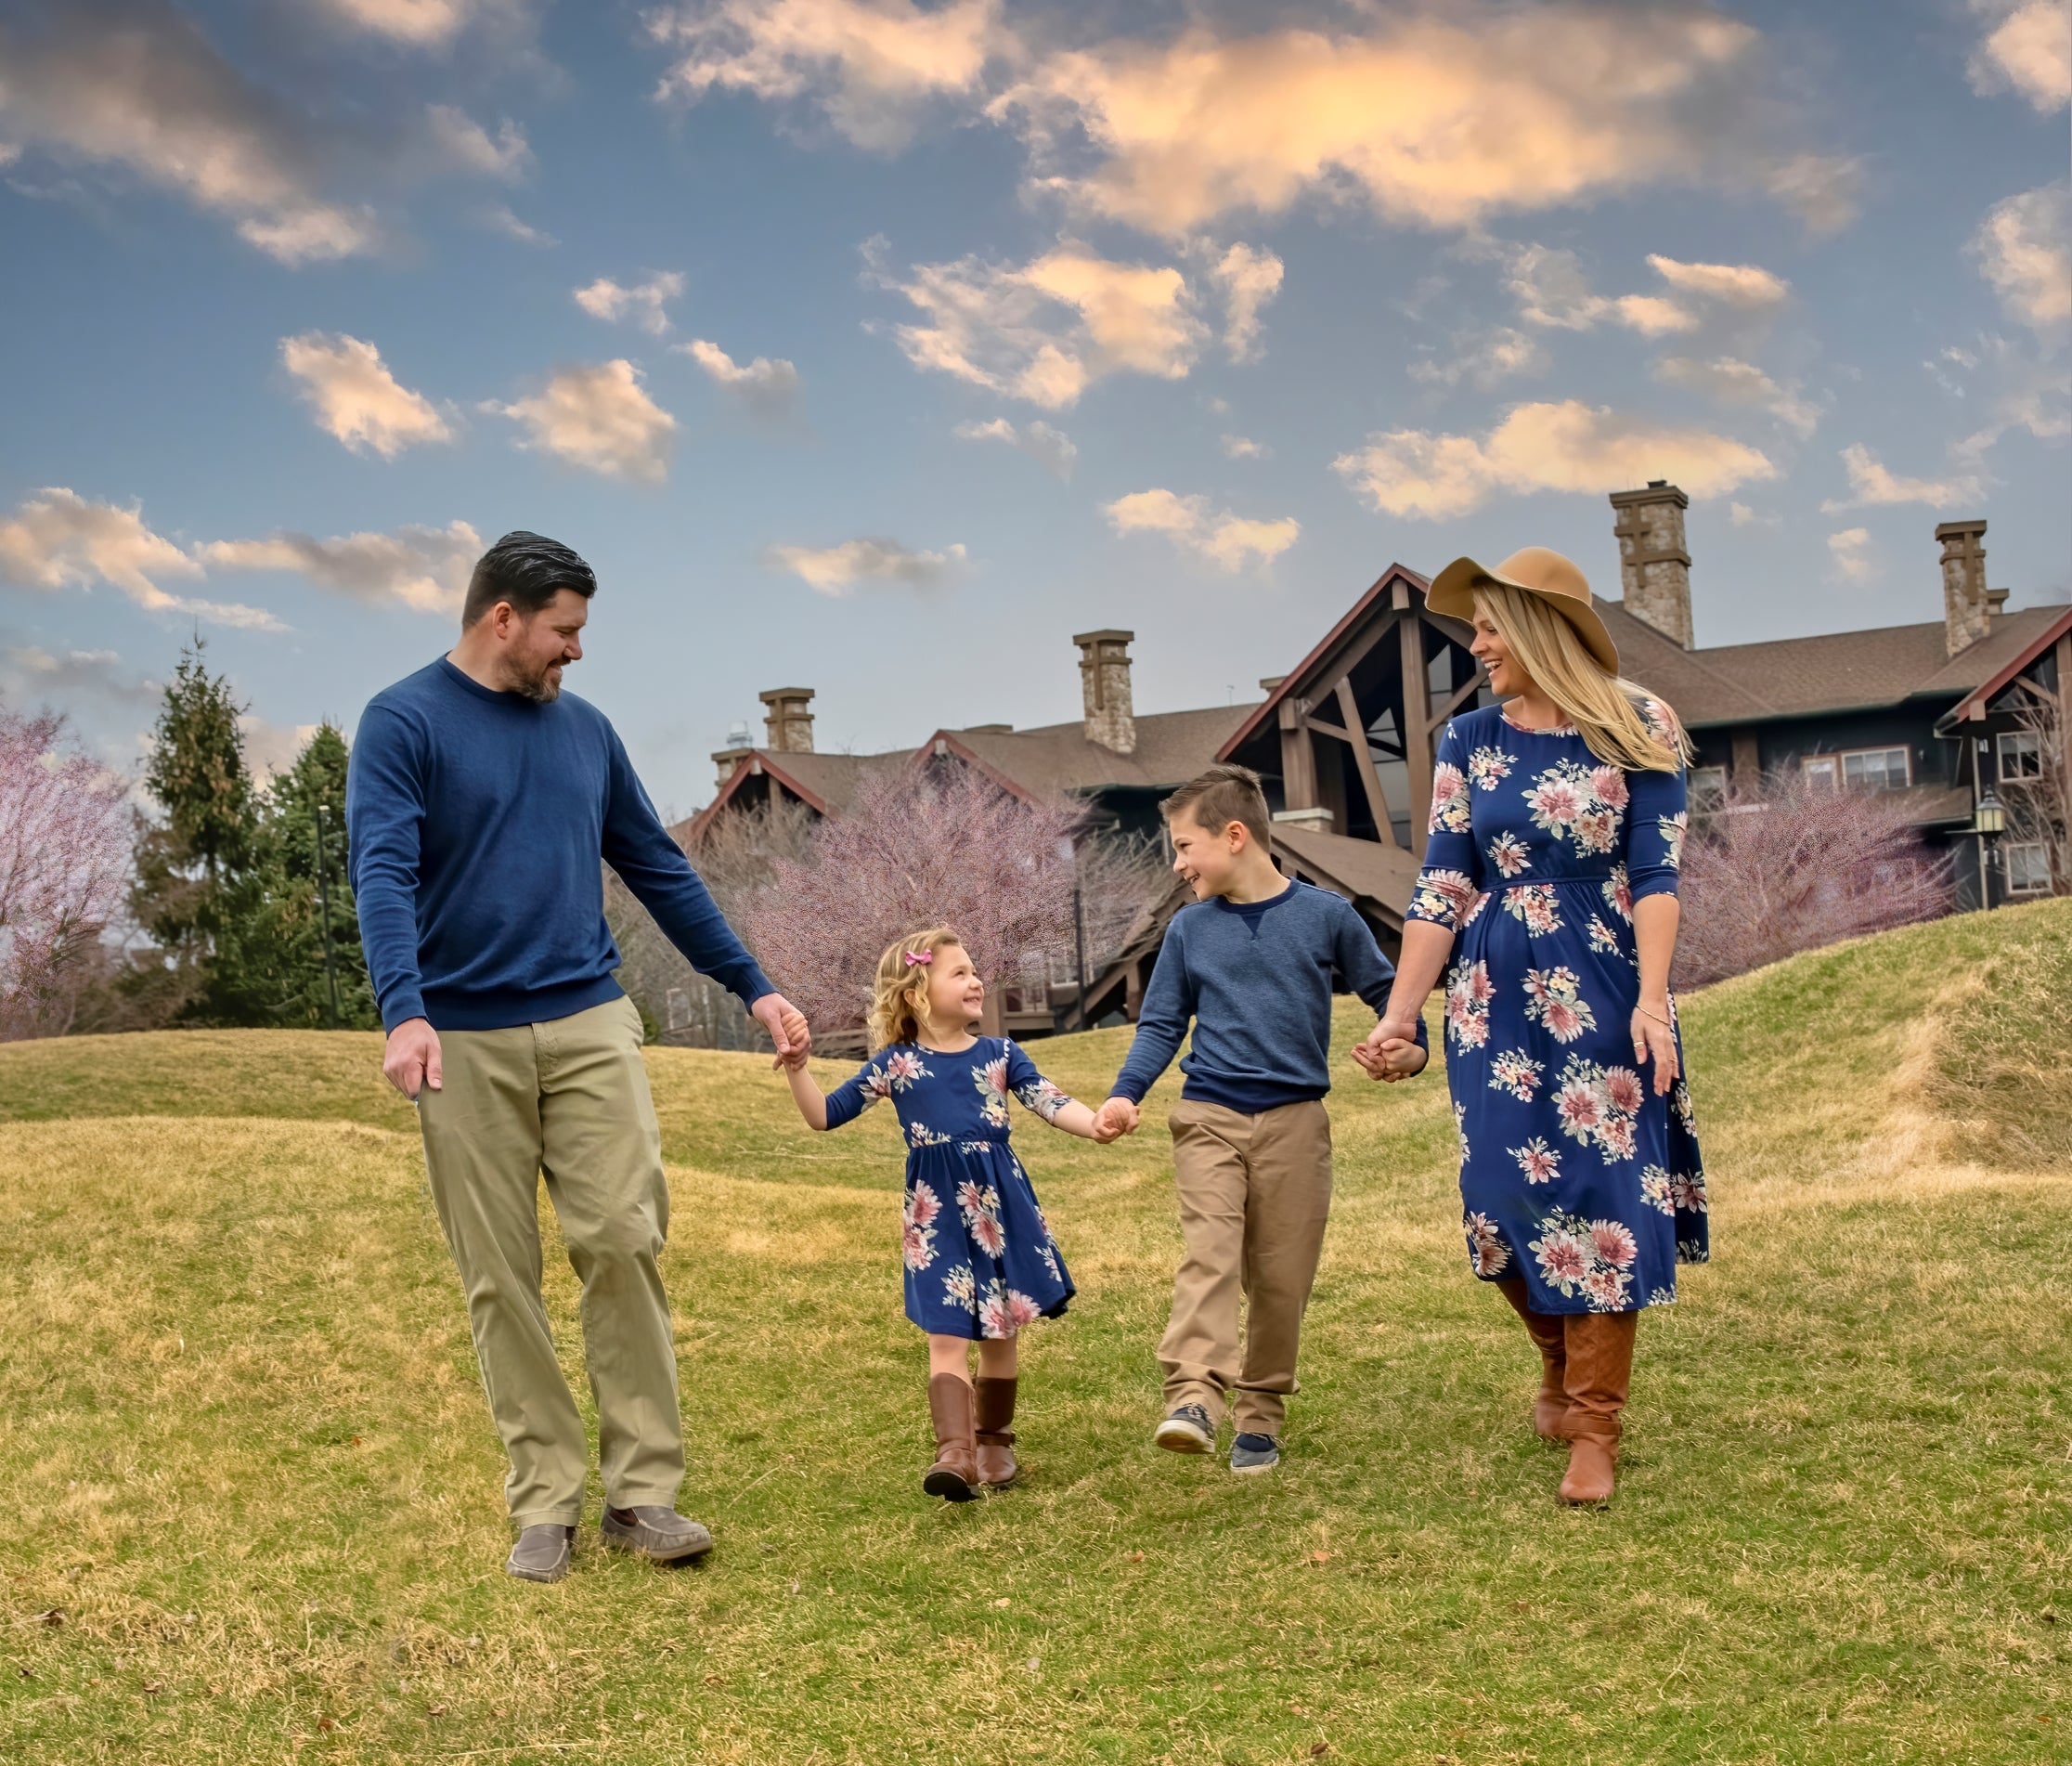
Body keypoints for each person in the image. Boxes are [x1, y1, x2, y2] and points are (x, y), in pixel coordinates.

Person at [346, 530, 811, 1584]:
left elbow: (659, 866)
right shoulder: (403, 722)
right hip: (458, 1036)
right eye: (565, 632)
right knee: (499, 1274)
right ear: (502, 619)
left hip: (590, 1017)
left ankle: (643, 1494)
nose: (577, 654)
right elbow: (380, 869)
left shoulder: (586, 733)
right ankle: (545, 1499)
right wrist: (402, 1011)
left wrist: (755, 984)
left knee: (620, 1236)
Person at [1367, 546, 1708, 1506]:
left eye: (1489, 628)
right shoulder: (1469, 739)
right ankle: (1557, 1353)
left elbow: (1657, 877)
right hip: (1493, 988)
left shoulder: (1641, 725)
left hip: (1606, 979)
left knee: (1605, 1189)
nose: (1475, 646)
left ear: (1541, 628)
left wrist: (1652, 999)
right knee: (1497, 1193)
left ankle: (1594, 1424)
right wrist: (1401, 1016)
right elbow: (1442, 883)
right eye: (1474, 629)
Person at [1094, 765, 1429, 1474]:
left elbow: (1389, 997)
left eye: (1185, 847)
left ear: (1235, 836)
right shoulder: (1188, 930)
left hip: (1296, 1124)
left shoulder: (1327, 916)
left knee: (1281, 1279)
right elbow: (1161, 1025)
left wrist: (1409, 1050)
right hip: (1209, 1115)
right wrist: (1127, 1093)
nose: (1179, 865)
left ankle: (1261, 1414)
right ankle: (1192, 1397)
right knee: (1209, 1255)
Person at [781, 928, 1119, 1501]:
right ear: (917, 992)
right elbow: (825, 1115)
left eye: (974, 970)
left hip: (999, 1206)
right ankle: (954, 1454)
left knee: (1002, 1328)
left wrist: (1097, 1124)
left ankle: (994, 1442)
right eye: (958, 972)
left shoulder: (1002, 1055)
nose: (976, 980)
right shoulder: (897, 1064)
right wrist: (797, 1069)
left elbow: (1049, 1101)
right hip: (934, 1215)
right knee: (946, 1331)